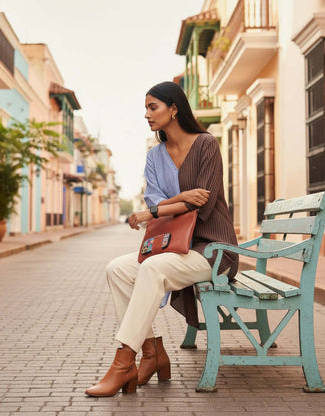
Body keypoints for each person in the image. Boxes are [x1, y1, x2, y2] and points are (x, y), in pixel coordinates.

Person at [85, 81, 238, 397]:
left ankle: (124, 361)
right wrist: (179, 197)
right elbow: (157, 202)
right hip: (174, 247)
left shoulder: (207, 144)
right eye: (145, 108)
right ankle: (153, 353)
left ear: (174, 108)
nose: (146, 114)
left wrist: (158, 210)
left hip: (213, 249)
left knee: (152, 269)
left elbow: (203, 202)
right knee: (117, 269)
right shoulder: (154, 156)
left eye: (152, 107)